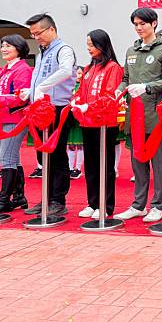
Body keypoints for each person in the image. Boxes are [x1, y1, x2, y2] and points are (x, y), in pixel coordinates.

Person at [114, 8, 162, 223]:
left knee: (159, 164)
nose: (139, 28)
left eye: (143, 23)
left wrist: (146, 87)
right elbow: (125, 77)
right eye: (136, 24)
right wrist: (120, 89)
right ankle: (138, 205)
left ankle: (159, 205)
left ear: (154, 23)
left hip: (155, 117)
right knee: (137, 163)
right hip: (134, 117)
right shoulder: (131, 51)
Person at [21, 13, 76, 216]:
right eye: (33, 34)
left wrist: (43, 86)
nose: (36, 37)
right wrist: (30, 91)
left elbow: (66, 71)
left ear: (51, 29)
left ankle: (58, 200)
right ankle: (47, 196)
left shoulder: (64, 50)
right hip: (39, 109)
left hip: (56, 109)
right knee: (43, 156)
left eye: (38, 33)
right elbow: (38, 78)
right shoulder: (42, 53)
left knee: (57, 155)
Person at [71, 29, 124, 219]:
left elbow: (109, 95)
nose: (89, 49)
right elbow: (81, 91)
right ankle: (92, 202)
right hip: (87, 123)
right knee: (91, 165)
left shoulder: (113, 68)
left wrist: (89, 106)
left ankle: (106, 205)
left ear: (102, 45)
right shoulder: (88, 68)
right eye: (87, 45)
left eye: (92, 45)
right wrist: (76, 102)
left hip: (105, 124)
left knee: (105, 166)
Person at [0, 35, 32, 213]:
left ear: (19, 48)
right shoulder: (5, 69)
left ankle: (3, 199)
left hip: (15, 118)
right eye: (2, 46)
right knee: (12, 157)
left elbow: (20, 98)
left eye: (8, 46)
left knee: (6, 158)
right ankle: (19, 197)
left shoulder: (23, 69)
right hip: (4, 119)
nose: (4, 49)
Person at [67, 66, 84, 180]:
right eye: (76, 73)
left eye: (80, 73)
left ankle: (78, 168)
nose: (78, 76)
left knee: (81, 145)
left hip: (80, 119)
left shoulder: (84, 87)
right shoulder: (69, 86)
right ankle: (69, 168)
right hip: (70, 118)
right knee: (70, 145)